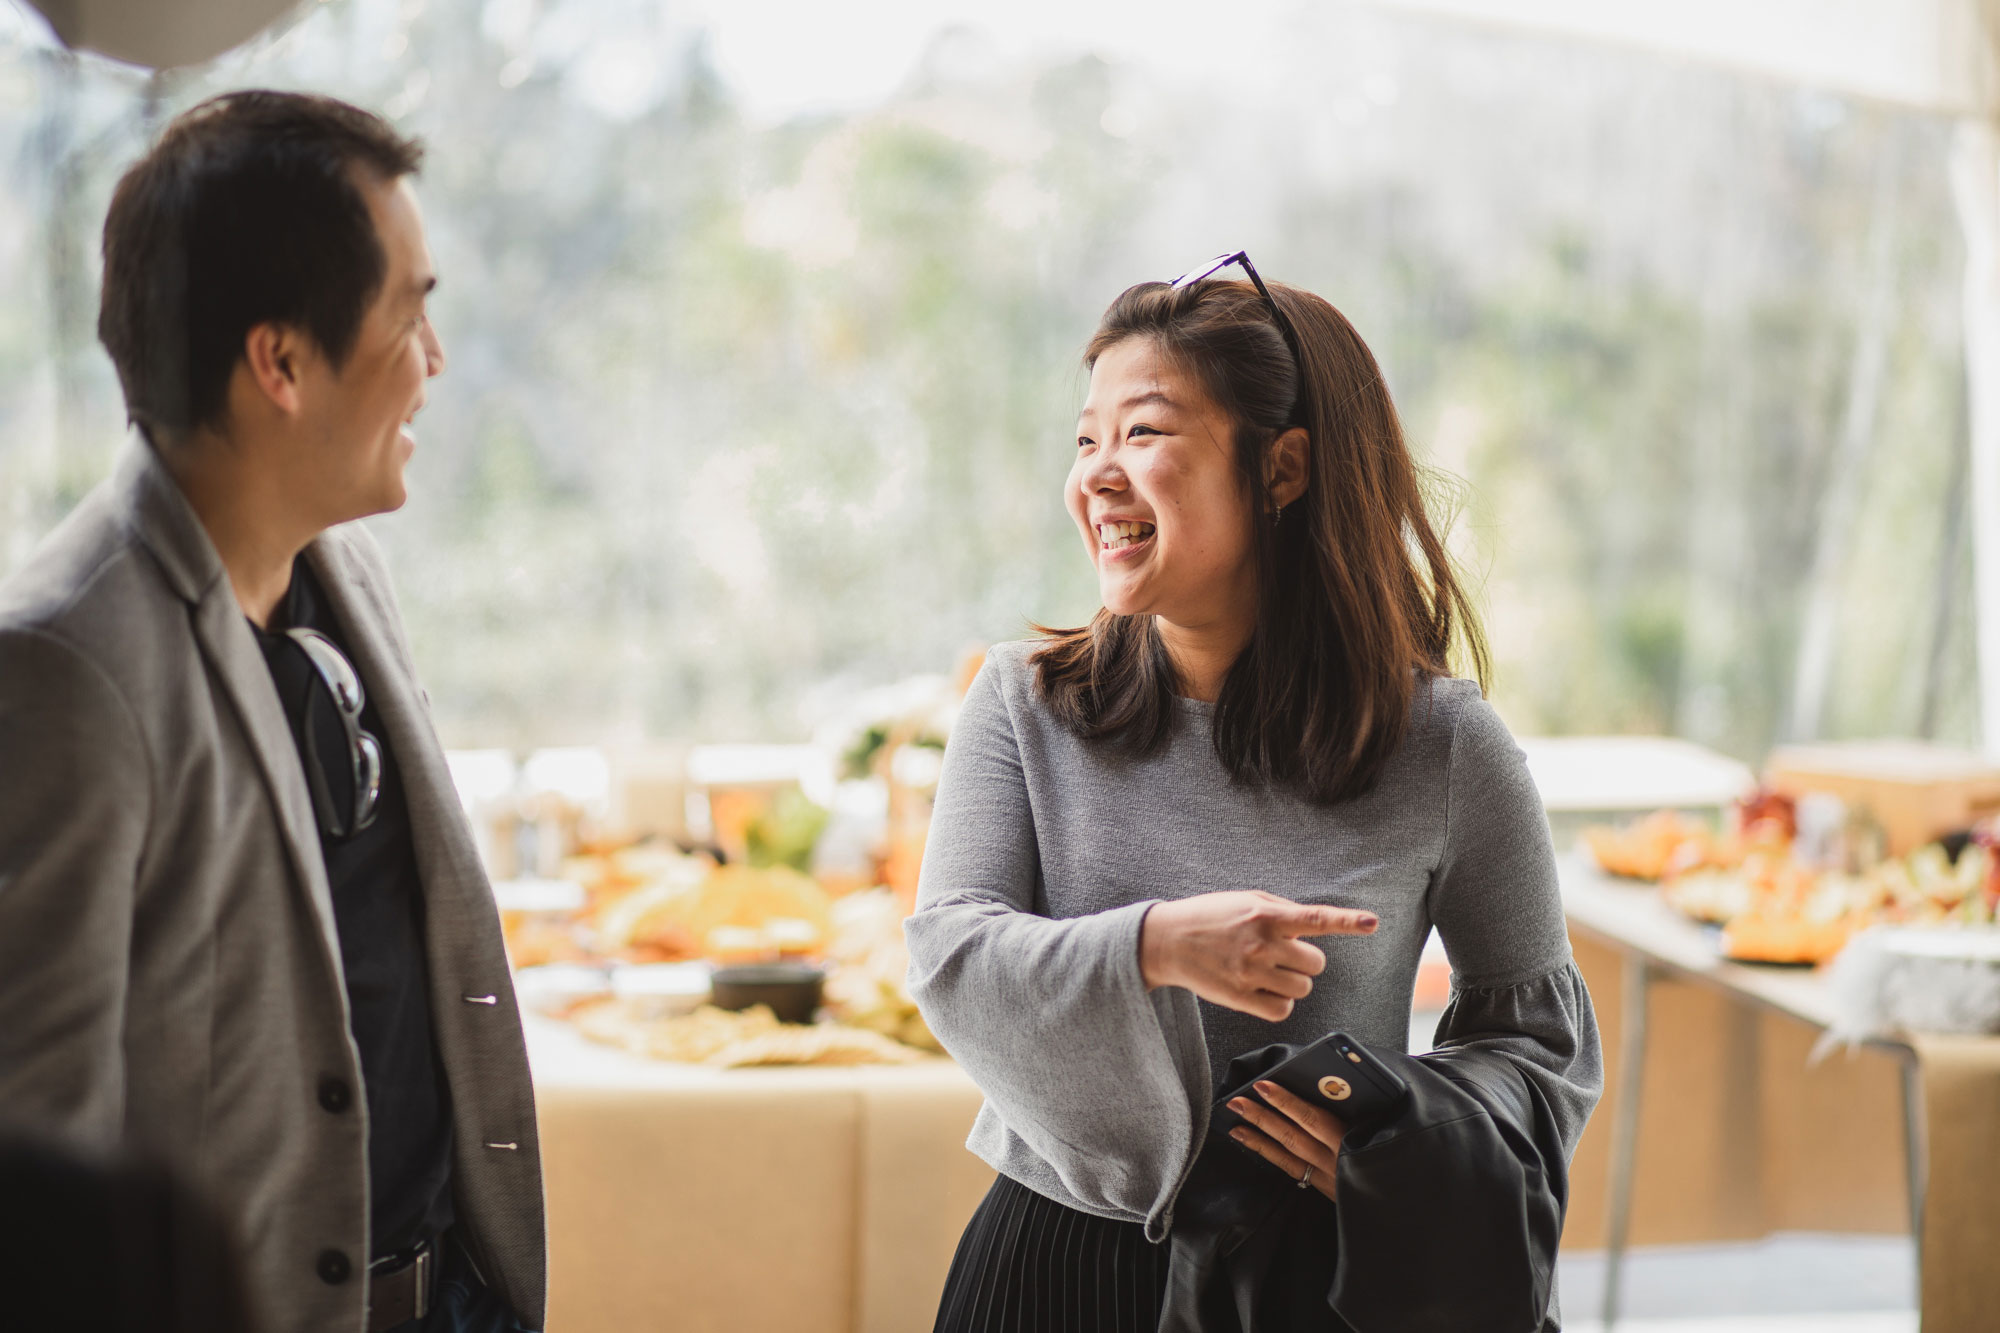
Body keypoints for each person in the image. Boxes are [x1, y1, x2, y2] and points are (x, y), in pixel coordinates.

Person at [906, 254, 1603, 1330]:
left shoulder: (1445, 744)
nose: (1095, 472)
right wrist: (1155, 945)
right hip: (1048, 1271)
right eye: (1084, 438)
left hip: (1313, 1279)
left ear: (1281, 469)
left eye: (1140, 433)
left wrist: (1394, 1142)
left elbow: (1537, 1049)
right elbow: (949, 956)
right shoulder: (1020, 702)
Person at [0, 92, 544, 1333]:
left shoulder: (345, 568)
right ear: (280, 362)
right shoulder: (59, 666)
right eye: (412, 312)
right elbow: (34, 1162)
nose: (436, 358)